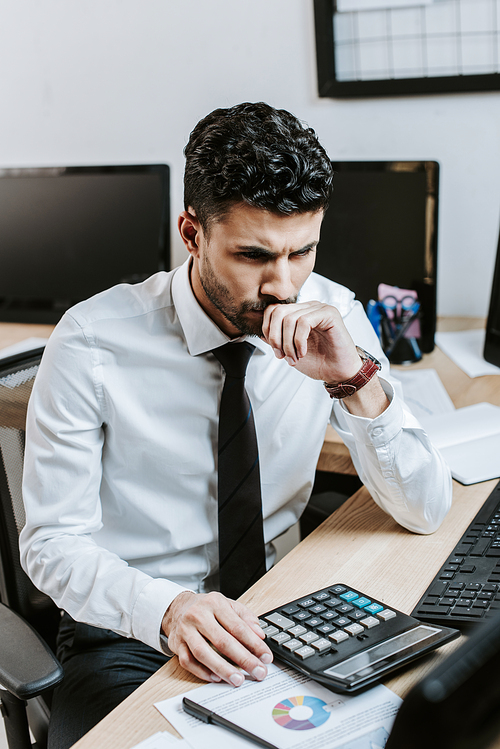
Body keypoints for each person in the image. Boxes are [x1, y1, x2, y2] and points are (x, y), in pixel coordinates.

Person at [20, 102, 452, 747]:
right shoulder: (91, 342)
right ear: (191, 233)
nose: (283, 285)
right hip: (132, 627)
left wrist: (354, 380)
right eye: (254, 255)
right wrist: (167, 610)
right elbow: (51, 543)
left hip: (287, 599)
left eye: (302, 251)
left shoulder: (329, 312)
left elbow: (425, 509)